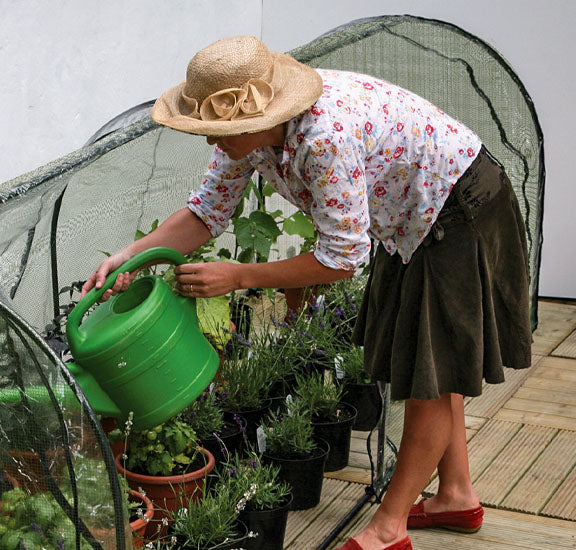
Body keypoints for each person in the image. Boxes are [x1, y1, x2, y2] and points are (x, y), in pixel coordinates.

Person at [81, 36, 531, 550]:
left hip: (458, 210)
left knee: (428, 378)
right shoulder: (246, 139)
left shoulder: (322, 139)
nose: (211, 142)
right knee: (430, 363)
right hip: (414, 219)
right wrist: (128, 256)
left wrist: (240, 276)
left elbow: (342, 259)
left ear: (255, 118)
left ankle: (390, 528)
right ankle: (454, 495)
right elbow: (206, 213)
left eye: (217, 130)